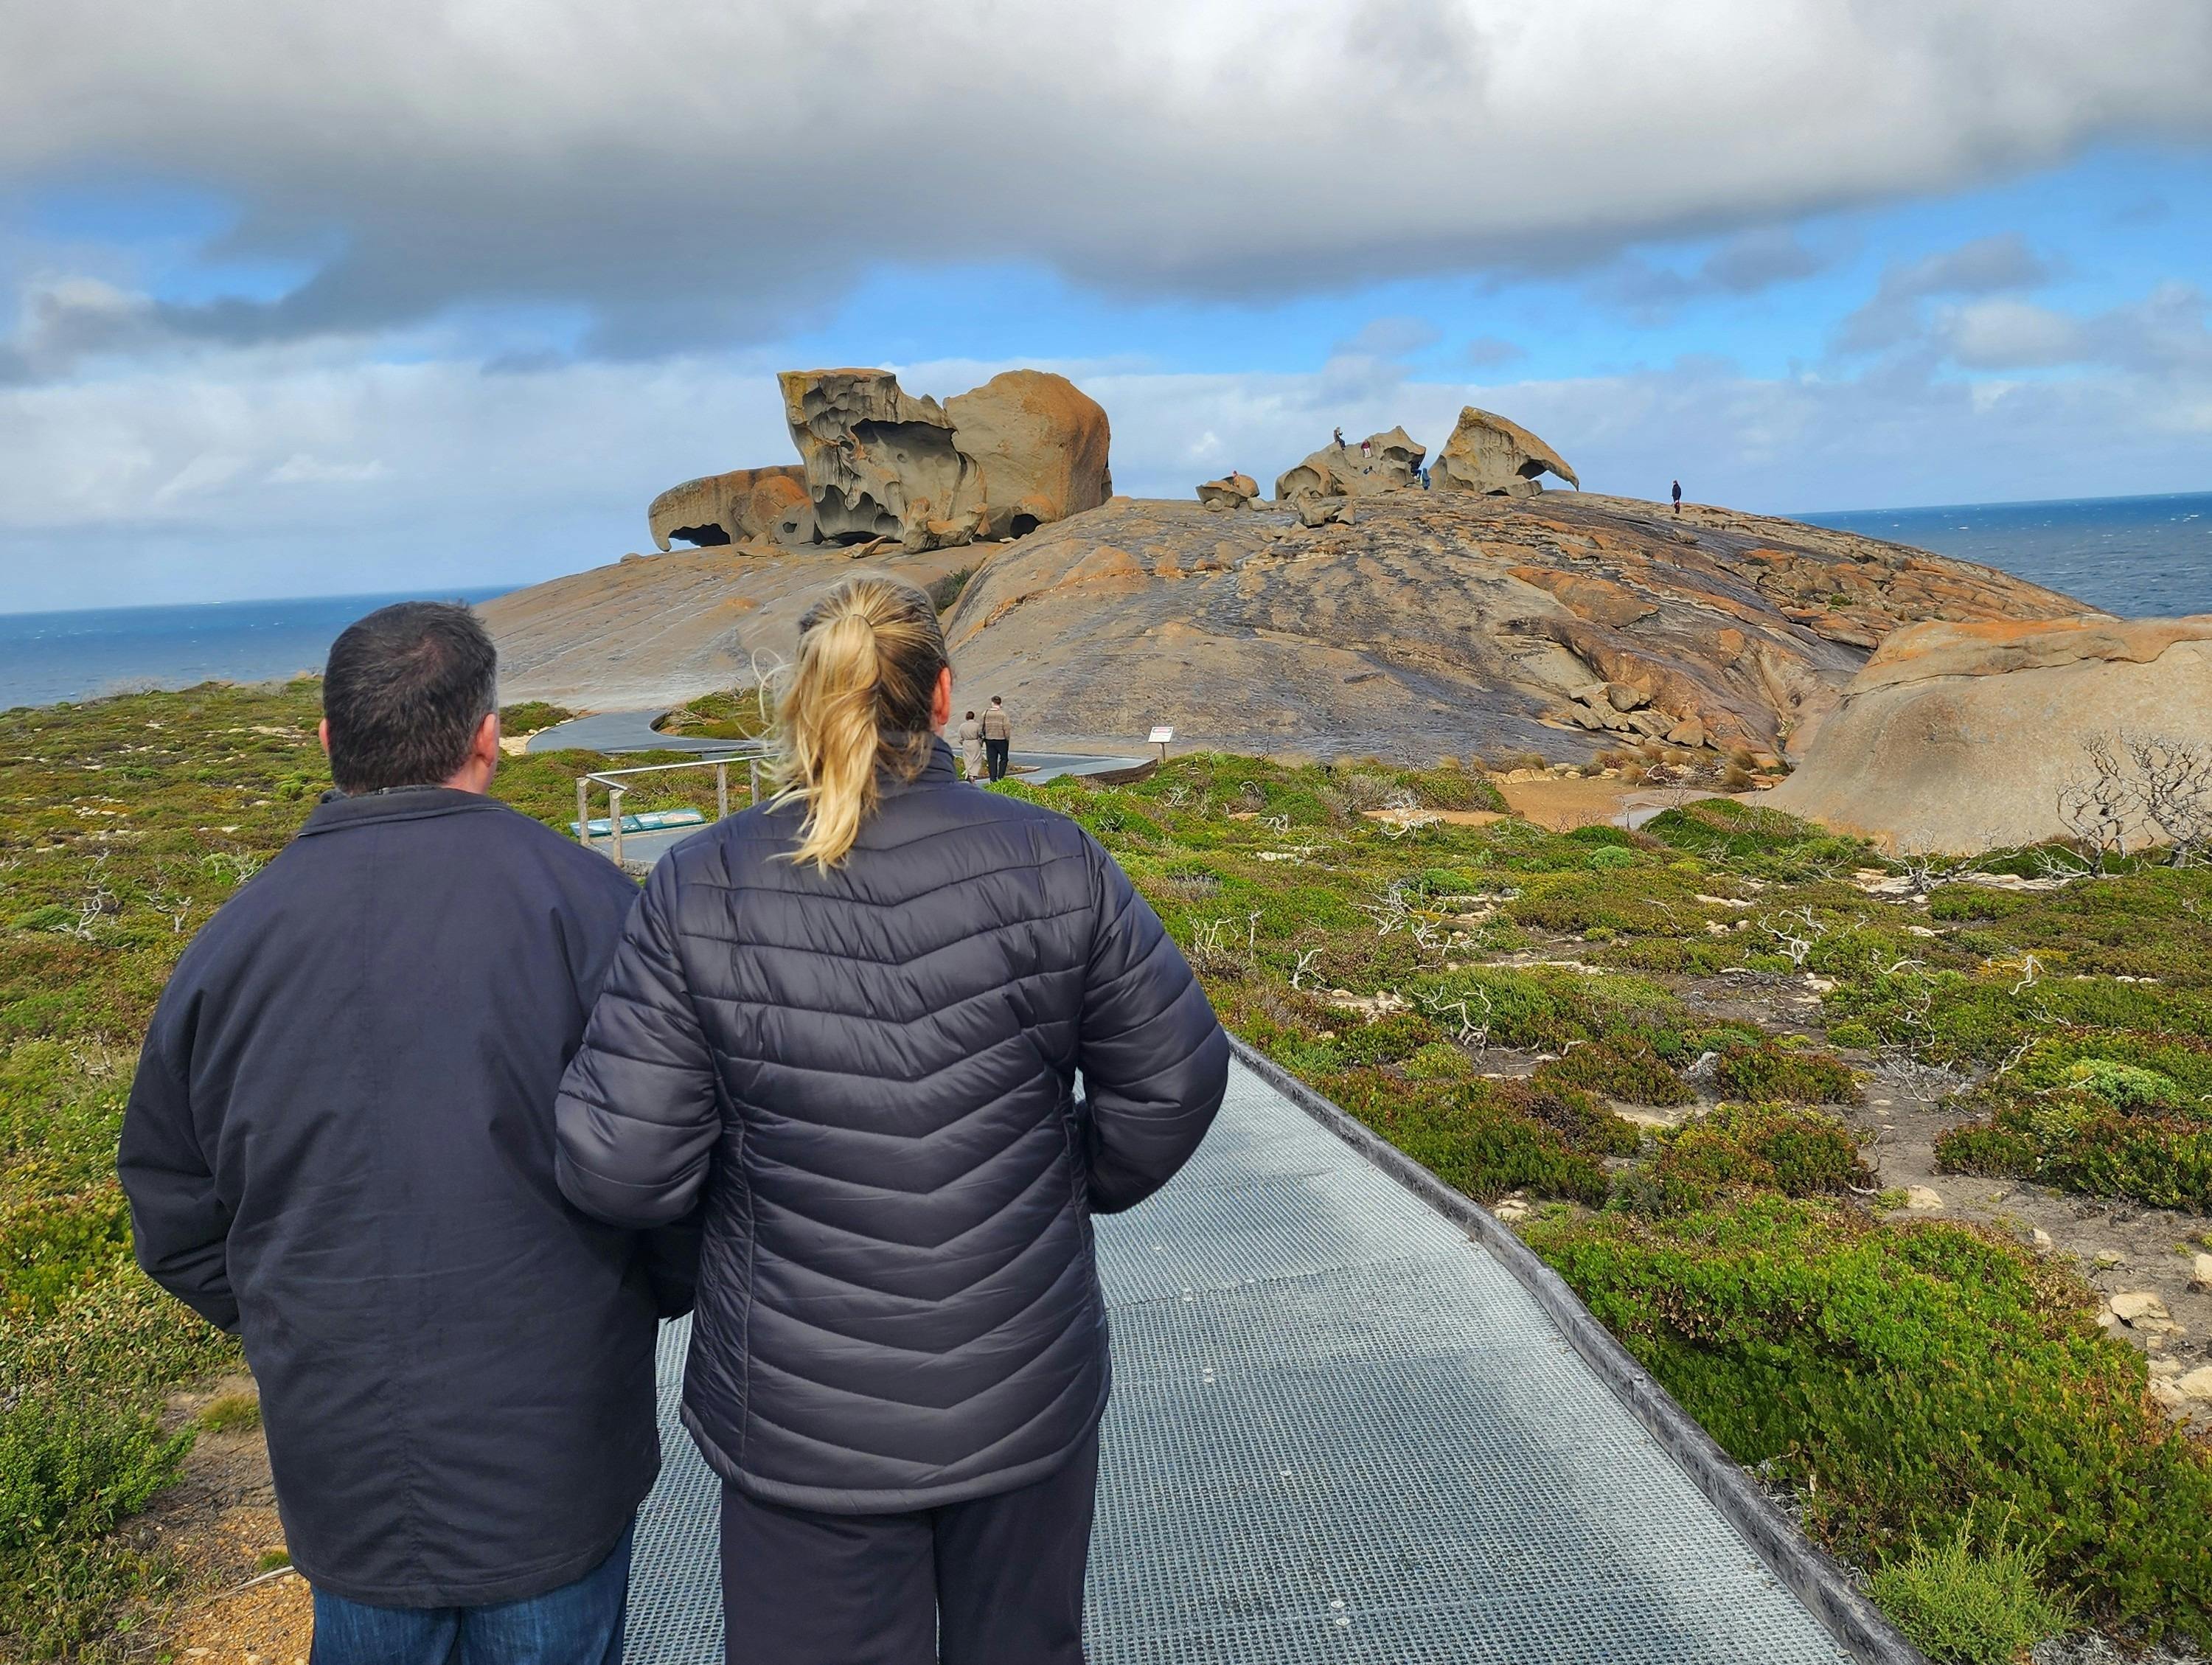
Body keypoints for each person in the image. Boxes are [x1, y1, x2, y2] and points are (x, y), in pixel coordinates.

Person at [554, 576, 1228, 1665]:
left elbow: (622, 1165)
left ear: (801, 704)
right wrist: (1065, 1181)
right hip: (1024, 1384)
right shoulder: (1054, 857)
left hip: (798, 1420)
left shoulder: (697, 883)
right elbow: (1176, 1080)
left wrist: (715, 1238)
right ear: (946, 696)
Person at [119, 602, 695, 1665]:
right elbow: (669, 1156)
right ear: (487, 732)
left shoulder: (230, 944)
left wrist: (289, 1320)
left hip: (345, 1452)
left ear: (330, 739)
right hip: (555, 1442)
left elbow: (168, 1200)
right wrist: (643, 1292)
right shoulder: (589, 904)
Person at [981, 693, 1012, 781]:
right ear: (1000, 704)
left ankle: (992, 779)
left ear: (992, 703)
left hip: (989, 739)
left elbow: (981, 726)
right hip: (1001, 739)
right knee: (1004, 758)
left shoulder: (986, 713)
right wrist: (1007, 739)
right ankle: (1001, 777)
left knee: (992, 759)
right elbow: (1007, 728)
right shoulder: (1003, 714)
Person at [956, 706, 986, 780]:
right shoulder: (977, 725)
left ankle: (969, 773)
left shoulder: (962, 726)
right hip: (975, 743)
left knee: (968, 759)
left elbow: (959, 738)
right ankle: (974, 774)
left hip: (966, 743)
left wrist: (963, 743)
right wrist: (981, 743)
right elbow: (981, 735)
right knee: (976, 759)